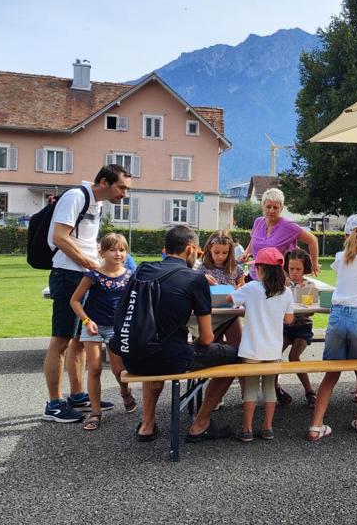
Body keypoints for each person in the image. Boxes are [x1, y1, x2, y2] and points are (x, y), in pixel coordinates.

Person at [123, 226, 239, 443]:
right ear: (190, 249)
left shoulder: (142, 269)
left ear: (165, 249)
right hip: (172, 359)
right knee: (235, 356)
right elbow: (206, 338)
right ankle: (201, 424)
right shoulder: (195, 279)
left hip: (132, 357)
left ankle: (147, 424)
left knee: (155, 352)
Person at [43, 164, 131, 423]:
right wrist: (91, 264)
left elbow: (84, 239)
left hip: (83, 274)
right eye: (122, 187)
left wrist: (98, 259)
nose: (125, 194)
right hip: (68, 275)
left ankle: (77, 394)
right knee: (61, 340)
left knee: (80, 339)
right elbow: (59, 237)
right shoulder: (75, 197)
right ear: (104, 181)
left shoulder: (97, 204)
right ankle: (54, 404)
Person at [308, 214, 357, 440]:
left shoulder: (340, 258)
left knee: (331, 373)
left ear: (345, 235)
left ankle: (316, 424)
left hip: (338, 316)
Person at [68, 233, 134, 431]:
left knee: (118, 370)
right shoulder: (93, 274)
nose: (118, 254)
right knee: (95, 368)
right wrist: (86, 321)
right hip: (93, 326)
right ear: (102, 252)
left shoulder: (130, 275)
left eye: (121, 250)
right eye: (113, 249)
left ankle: (125, 392)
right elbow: (75, 300)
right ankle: (95, 412)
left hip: (117, 328)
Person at [229, 247, 294, 442]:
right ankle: (267, 427)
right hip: (273, 349)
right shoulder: (286, 291)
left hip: (251, 349)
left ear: (260, 268)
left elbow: (228, 299)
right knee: (269, 388)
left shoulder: (251, 288)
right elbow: (289, 320)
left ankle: (247, 428)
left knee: (250, 388)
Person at [243, 188, 320, 280]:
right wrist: (246, 252)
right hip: (254, 277)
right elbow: (254, 239)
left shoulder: (288, 226)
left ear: (281, 208)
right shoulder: (258, 222)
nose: (271, 211)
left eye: (275, 207)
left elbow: (313, 240)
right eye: (268, 206)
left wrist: (314, 264)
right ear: (263, 206)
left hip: (277, 280)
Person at [279, 248, 318, 408]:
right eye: (291, 269)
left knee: (294, 356)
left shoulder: (310, 285)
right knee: (274, 355)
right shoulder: (281, 284)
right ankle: (276, 390)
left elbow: (313, 311)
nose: (294, 272)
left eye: (298, 269)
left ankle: (309, 392)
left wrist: (299, 294)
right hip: (286, 327)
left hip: (303, 327)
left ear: (305, 269)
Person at [198, 230, 245, 347]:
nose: (221, 256)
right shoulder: (202, 269)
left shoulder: (236, 268)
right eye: (217, 252)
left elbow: (243, 286)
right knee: (213, 347)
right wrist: (202, 278)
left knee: (237, 345)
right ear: (209, 248)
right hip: (211, 316)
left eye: (225, 253)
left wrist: (240, 287)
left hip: (231, 314)